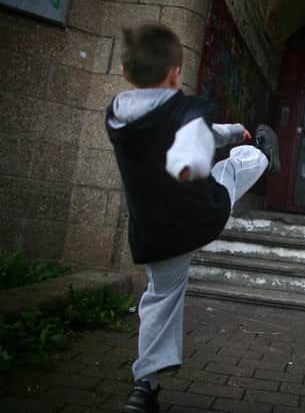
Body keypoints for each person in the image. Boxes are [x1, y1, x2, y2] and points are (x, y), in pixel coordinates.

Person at [105, 21, 279, 413]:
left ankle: (143, 389)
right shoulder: (187, 113)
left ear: (124, 73)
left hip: (153, 234)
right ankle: (265, 159)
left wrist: (221, 133)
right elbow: (197, 138)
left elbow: (187, 131)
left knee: (161, 297)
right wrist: (227, 138)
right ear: (176, 73)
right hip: (201, 215)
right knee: (234, 168)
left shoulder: (117, 118)